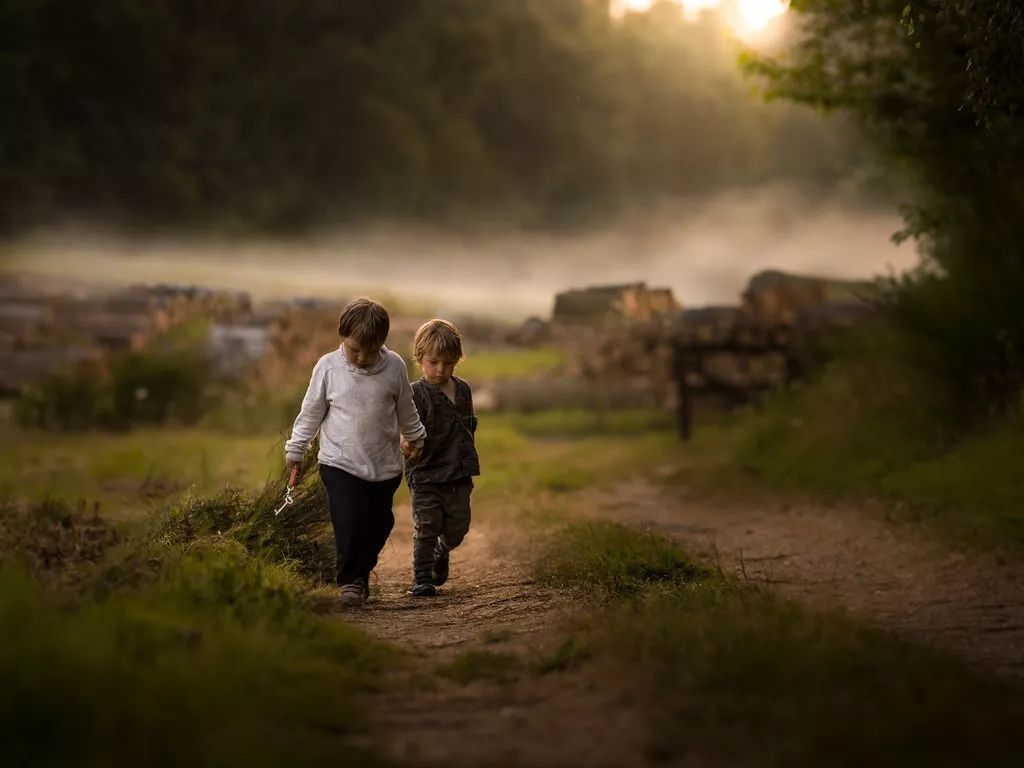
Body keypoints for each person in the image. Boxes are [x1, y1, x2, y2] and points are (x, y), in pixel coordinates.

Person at [285, 298, 425, 607]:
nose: (361, 358)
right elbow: (310, 413)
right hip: (339, 462)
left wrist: (416, 437)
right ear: (342, 337)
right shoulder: (328, 367)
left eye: (370, 351)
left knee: (380, 523)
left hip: (384, 466)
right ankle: (350, 582)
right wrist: (296, 448)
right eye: (354, 349)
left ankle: (360, 572)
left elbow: (406, 407)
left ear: (382, 344)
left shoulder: (395, 367)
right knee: (348, 520)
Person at [401, 319, 480, 597]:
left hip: (458, 473)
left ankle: (441, 550)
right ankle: (421, 578)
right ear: (420, 358)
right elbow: (405, 427)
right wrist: (406, 443)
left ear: (457, 360)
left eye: (448, 363)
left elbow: (467, 427)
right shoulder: (415, 393)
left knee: (459, 528)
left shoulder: (464, 390)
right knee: (427, 526)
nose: (441, 369)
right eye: (433, 362)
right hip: (425, 473)